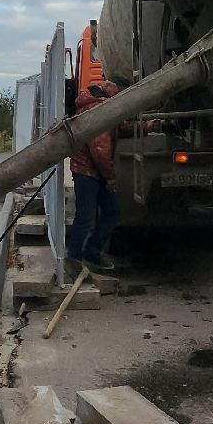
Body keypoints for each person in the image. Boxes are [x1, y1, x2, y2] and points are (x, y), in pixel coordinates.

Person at [66, 81, 120, 280]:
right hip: (88, 171)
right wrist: (111, 177)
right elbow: (100, 150)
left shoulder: (94, 108)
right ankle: (75, 258)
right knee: (88, 216)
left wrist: (148, 125)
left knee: (107, 211)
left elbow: (119, 125)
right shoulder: (98, 111)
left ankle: (90, 254)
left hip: (88, 170)